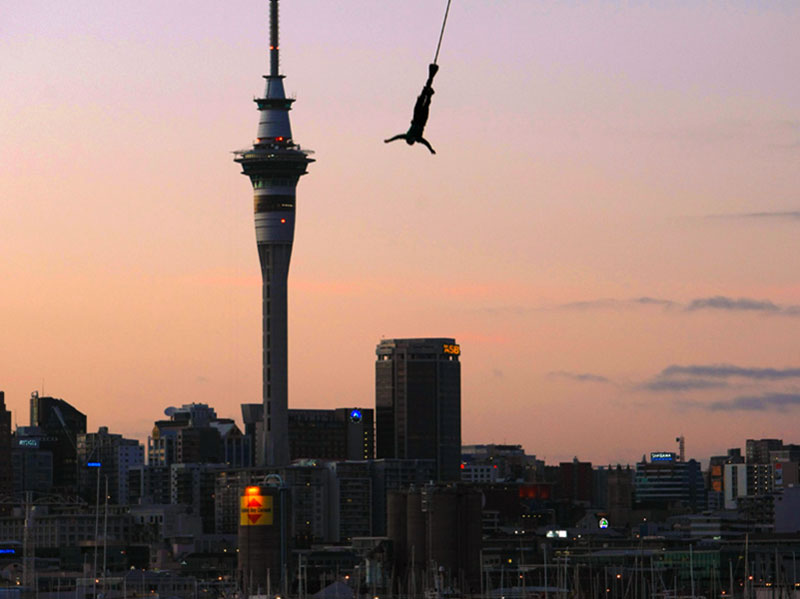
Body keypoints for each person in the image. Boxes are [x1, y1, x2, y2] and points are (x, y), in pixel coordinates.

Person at [384, 63, 439, 154]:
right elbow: (426, 143)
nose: (413, 139)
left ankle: (428, 86)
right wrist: (430, 149)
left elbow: (397, 137)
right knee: (425, 104)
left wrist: (389, 140)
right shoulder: (418, 139)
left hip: (416, 117)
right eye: (413, 140)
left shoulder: (407, 136)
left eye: (411, 139)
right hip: (421, 120)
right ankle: (429, 93)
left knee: (421, 98)